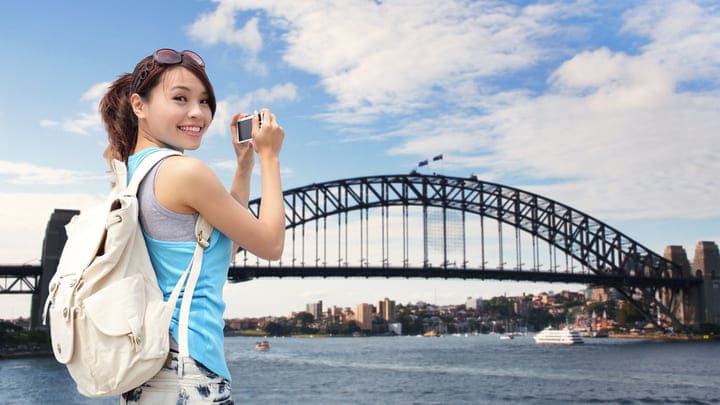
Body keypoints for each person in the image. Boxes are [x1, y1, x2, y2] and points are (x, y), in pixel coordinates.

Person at [99, 48, 286, 404]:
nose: (198, 113)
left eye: (204, 101)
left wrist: (244, 166)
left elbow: (218, 249)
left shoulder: (130, 173)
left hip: (149, 375)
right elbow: (271, 245)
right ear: (139, 105)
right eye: (180, 98)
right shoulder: (184, 172)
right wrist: (269, 157)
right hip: (190, 374)